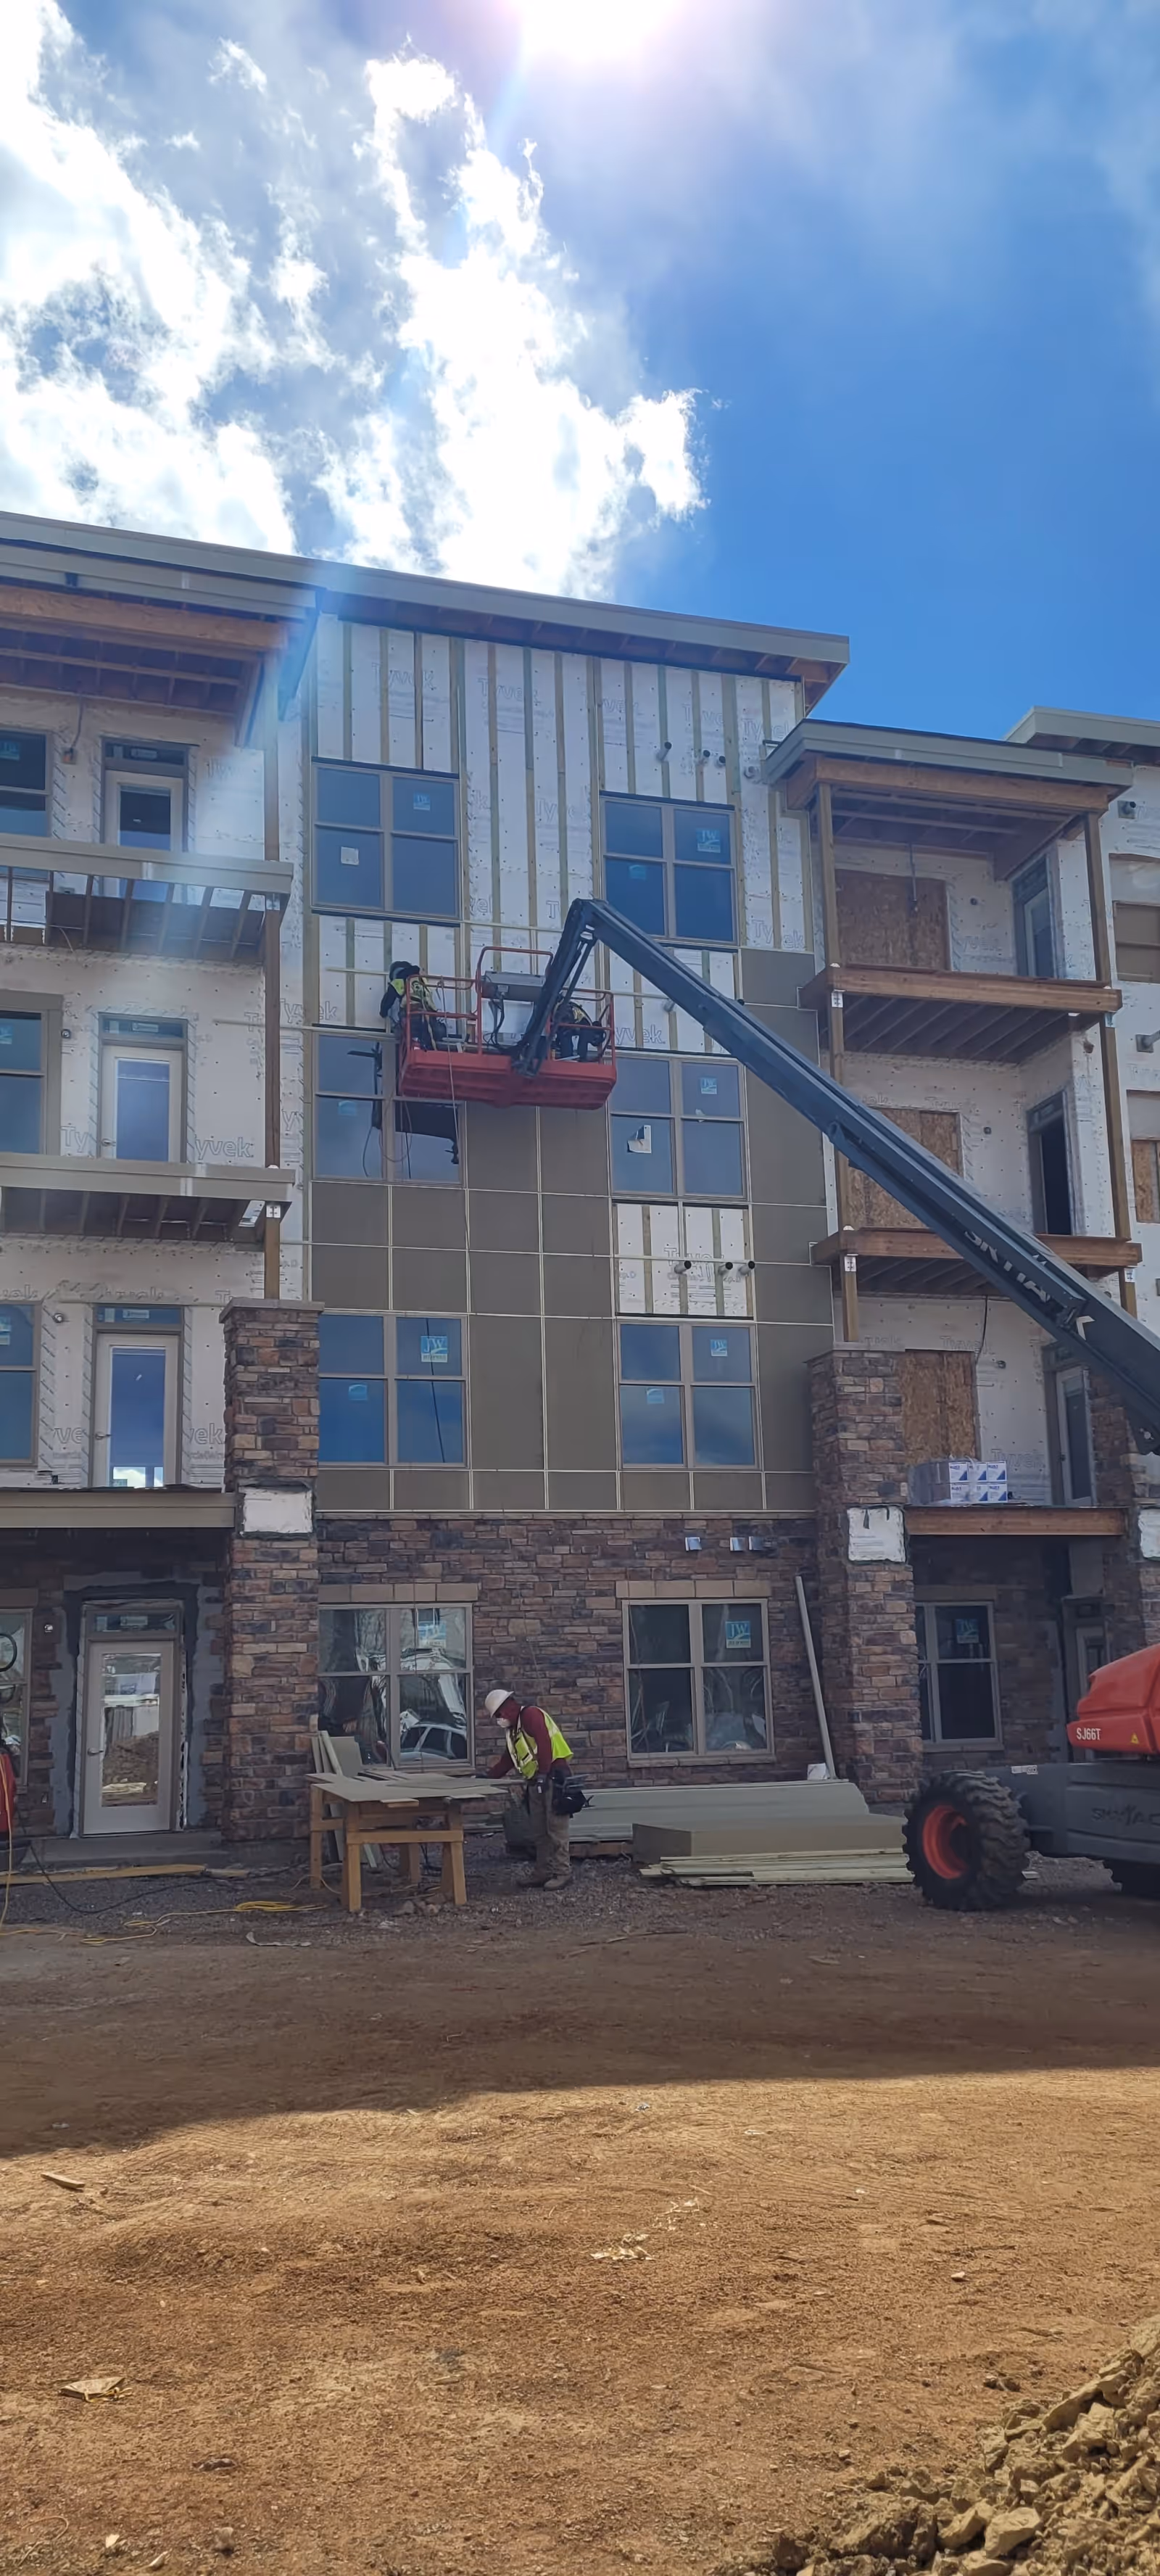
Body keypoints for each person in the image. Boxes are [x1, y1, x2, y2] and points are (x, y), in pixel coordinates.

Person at [484, 1686, 573, 1889]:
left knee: (556, 1829)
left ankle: (563, 1872)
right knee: (539, 1831)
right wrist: (487, 1777)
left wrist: (543, 1773)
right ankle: (543, 1872)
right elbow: (507, 1761)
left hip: (553, 1777)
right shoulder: (513, 1731)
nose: (499, 1719)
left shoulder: (531, 1715)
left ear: (508, 1707)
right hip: (536, 1781)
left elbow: (544, 1743)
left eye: (499, 1714)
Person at [381, 959, 447, 1049]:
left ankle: (416, 1044)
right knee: (430, 1037)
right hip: (430, 1015)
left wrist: (383, 1012)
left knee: (407, 1034)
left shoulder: (400, 980)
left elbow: (389, 998)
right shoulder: (422, 980)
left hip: (411, 1015)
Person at [552, 996, 605, 1062]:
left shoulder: (585, 1022)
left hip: (562, 1013)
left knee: (565, 1035)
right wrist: (583, 1059)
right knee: (566, 1036)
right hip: (565, 1015)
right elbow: (583, 1046)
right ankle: (567, 1058)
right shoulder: (589, 1027)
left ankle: (567, 1057)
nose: (591, 1040)